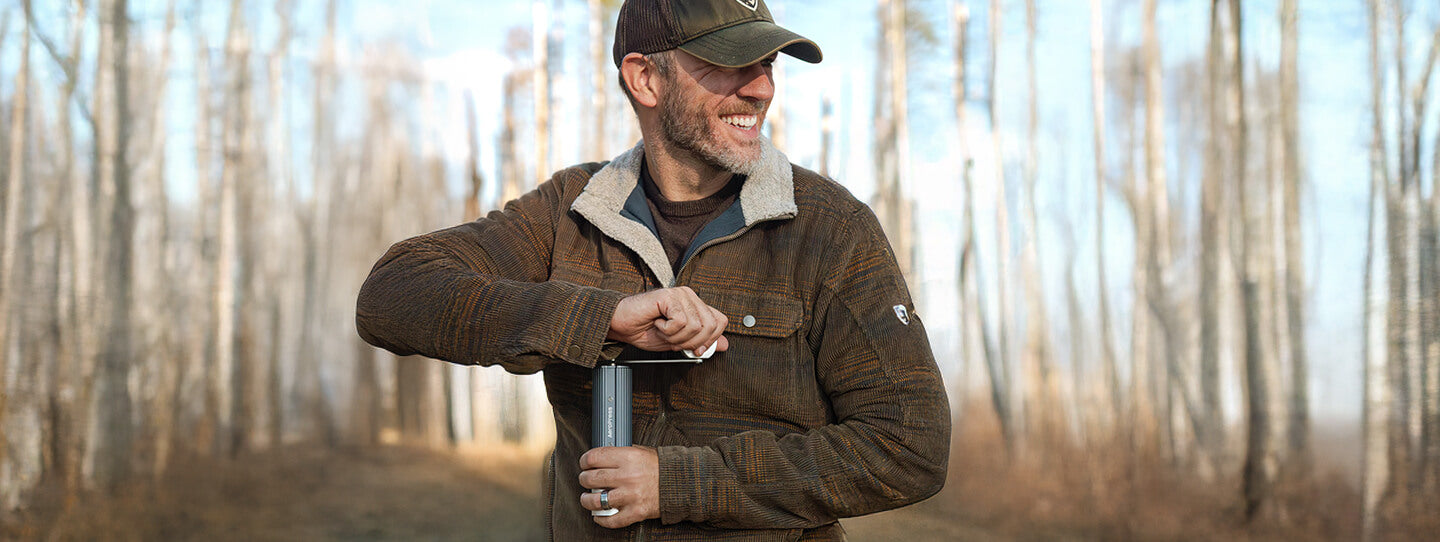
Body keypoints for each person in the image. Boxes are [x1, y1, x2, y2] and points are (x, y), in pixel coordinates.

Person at [355, 0, 950, 538]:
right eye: (733, 62)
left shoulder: (830, 229)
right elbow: (392, 294)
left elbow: (909, 444)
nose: (763, 87)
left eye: (769, 63)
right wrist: (601, 317)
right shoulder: (569, 212)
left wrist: (681, 483)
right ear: (645, 79)